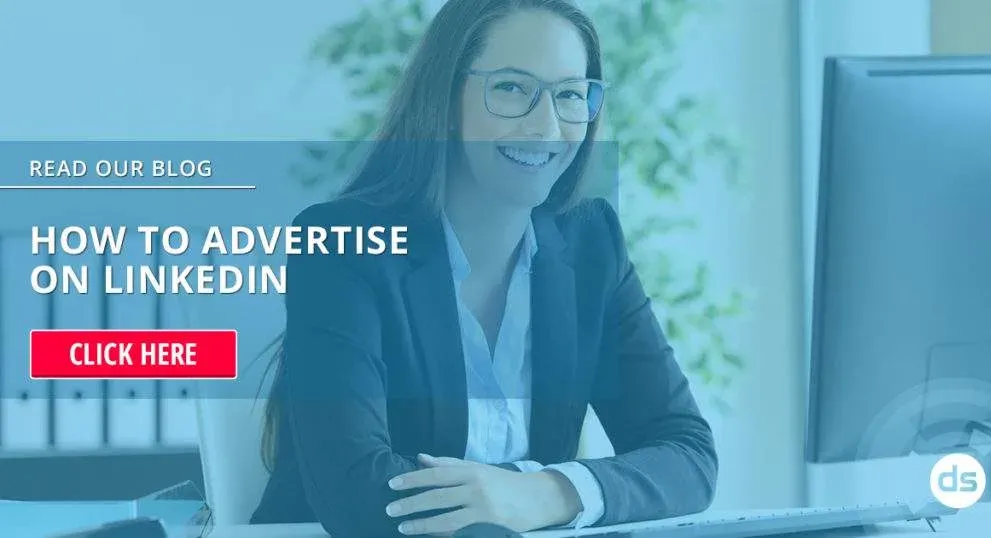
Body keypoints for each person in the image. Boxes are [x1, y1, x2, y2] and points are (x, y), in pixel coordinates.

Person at [250, 0, 718, 536]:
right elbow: (356, 489)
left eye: (569, 95)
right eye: (512, 88)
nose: (546, 127)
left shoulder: (590, 242)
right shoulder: (345, 246)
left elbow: (688, 454)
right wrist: (510, 496)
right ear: (446, 97)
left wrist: (546, 493)